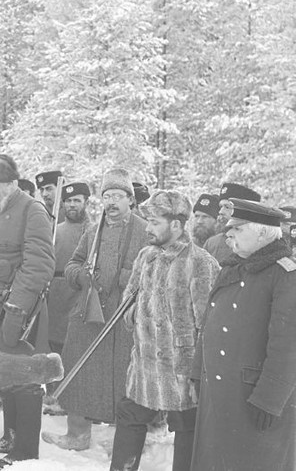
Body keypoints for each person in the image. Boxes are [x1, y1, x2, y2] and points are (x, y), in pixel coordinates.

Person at [109, 191, 219, 471]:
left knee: (187, 429)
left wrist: (196, 370)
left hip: (181, 369)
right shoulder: (146, 256)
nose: (147, 228)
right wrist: (136, 315)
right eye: (147, 221)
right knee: (130, 417)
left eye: (154, 222)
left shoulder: (200, 262)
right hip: (144, 366)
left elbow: (209, 324)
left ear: (177, 225)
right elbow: (128, 302)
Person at [43, 168, 147, 451]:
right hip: (88, 312)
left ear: (130, 200)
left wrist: (121, 277)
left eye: (118, 196)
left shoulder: (145, 231)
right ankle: (77, 435)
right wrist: (82, 276)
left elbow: (152, 271)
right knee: (79, 371)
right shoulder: (93, 231)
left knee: (124, 377)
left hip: (125, 315)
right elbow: (73, 264)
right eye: (107, 196)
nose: (111, 202)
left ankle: (123, 443)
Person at [190, 199, 296, 470]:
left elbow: (288, 346)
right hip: (218, 392)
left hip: (253, 399)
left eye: (237, 228)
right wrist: (195, 373)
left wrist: (270, 400)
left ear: (262, 232)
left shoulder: (285, 275)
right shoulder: (232, 266)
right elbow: (209, 323)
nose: (228, 234)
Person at [0, 155, 55, 468]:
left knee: (27, 378)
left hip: (22, 312)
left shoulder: (32, 210)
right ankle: (10, 437)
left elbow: (40, 264)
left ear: (14, 183)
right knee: (6, 375)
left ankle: (25, 451)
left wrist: (17, 310)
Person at [47, 182, 91, 355]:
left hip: (78, 293)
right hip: (55, 296)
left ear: (86, 203)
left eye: (77, 200)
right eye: (68, 200)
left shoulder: (93, 231)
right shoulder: (54, 230)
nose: (72, 205)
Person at [203, 182, 260, 263]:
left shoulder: (261, 241)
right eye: (220, 207)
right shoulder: (212, 243)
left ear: (244, 211)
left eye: (227, 207)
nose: (220, 212)